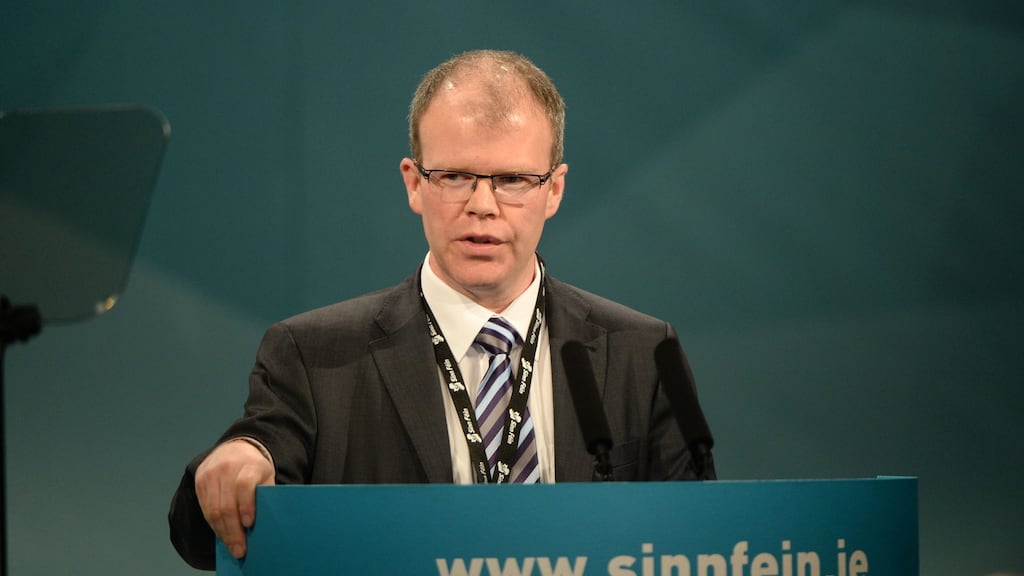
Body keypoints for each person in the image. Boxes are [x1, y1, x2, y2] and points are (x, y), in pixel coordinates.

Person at [168, 49, 712, 571]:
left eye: (513, 180)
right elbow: (212, 522)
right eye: (454, 177)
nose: (482, 205)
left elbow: (701, 541)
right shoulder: (314, 355)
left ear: (554, 190)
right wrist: (237, 460)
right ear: (414, 182)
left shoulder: (642, 352)